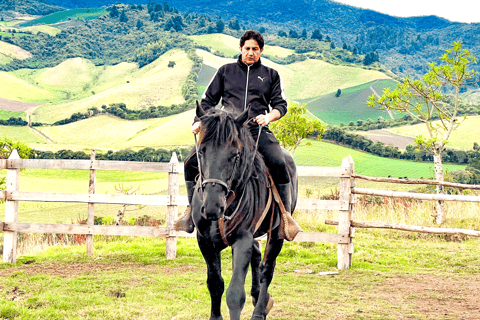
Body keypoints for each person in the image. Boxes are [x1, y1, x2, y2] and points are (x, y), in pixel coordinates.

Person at [174, 30, 302, 240]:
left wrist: (268, 117)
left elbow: (281, 105)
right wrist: (199, 122)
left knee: (280, 162)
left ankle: (285, 217)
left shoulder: (271, 75)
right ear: (240, 49)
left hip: (255, 129)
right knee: (190, 162)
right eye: (247, 48)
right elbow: (207, 101)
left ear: (261, 51)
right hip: (227, 132)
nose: (250, 53)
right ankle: (190, 212)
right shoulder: (225, 71)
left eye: (255, 49)